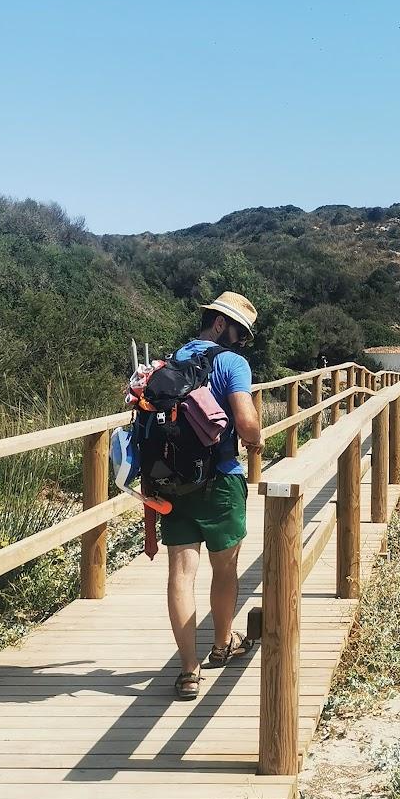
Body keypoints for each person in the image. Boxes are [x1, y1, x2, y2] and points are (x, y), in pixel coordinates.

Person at [162, 291, 264, 699]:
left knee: (180, 575)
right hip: (220, 480)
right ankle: (222, 646)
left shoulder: (173, 360)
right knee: (225, 570)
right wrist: (255, 442)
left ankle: (189, 671)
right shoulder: (230, 362)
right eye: (238, 333)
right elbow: (247, 422)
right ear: (220, 324)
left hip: (172, 482)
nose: (239, 342)